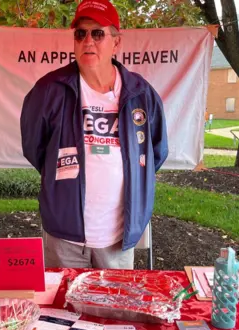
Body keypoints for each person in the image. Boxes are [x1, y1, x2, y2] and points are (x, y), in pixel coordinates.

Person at [19, 0, 168, 270]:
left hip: (117, 238)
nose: (88, 41)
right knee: (61, 309)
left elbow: (154, 152)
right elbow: (34, 147)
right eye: (81, 34)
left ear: (116, 42)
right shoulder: (48, 90)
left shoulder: (141, 94)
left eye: (97, 33)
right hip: (64, 236)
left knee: (114, 308)